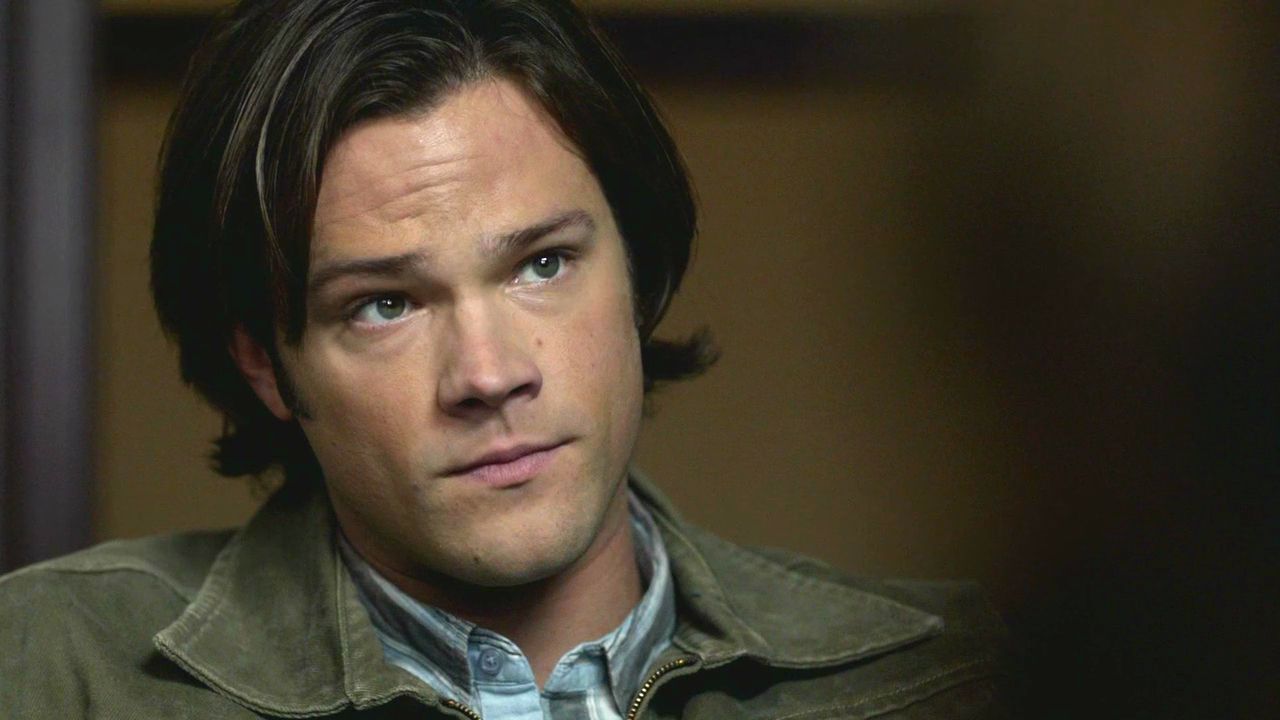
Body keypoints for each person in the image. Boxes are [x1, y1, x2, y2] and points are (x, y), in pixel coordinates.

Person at [0, 1, 1006, 717]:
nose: (488, 374)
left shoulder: (953, 678)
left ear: (637, 271)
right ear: (267, 366)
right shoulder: (51, 672)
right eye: (385, 305)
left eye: (541, 264)